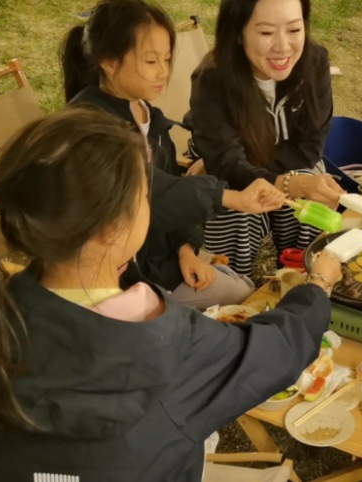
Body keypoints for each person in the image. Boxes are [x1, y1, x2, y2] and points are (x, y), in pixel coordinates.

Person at [0, 108, 342, 480]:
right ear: (110, 228)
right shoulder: (166, 346)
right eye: (144, 197)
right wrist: (318, 285)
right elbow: (273, 351)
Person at [61, 0, 286, 308]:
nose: (163, 72)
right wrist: (229, 197)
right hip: (114, 278)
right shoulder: (89, 127)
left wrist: (185, 250)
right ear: (109, 61)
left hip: (157, 260)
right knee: (242, 299)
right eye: (150, 61)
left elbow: (170, 183)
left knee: (243, 290)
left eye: (167, 59)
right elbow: (148, 190)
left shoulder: (146, 114)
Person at [186, 0, 344, 278]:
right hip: (237, 175)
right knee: (232, 201)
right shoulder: (213, 79)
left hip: (284, 165)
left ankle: (303, 279)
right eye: (266, 32)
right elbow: (228, 167)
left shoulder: (314, 62)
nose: (283, 46)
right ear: (238, 33)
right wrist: (285, 182)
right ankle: (234, 290)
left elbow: (310, 148)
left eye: (294, 30)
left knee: (311, 188)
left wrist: (287, 182)